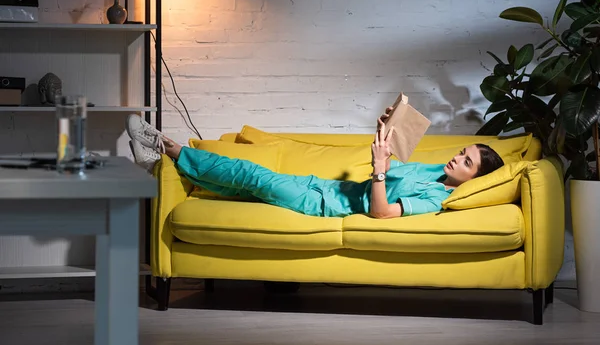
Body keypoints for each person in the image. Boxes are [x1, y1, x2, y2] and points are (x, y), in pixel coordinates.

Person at [126, 110, 504, 219]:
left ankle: (167, 147)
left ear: (474, 178)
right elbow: (390, 155)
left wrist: (378, 169)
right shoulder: (432, 170)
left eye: (465, 161)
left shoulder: (438, 199)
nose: (456, 157)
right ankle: (160, 164)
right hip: (320, 184)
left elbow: (383, 212)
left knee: (251, 174)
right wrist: (385, 129)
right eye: (462, 152)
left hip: (323, 206)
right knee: (244, 187)